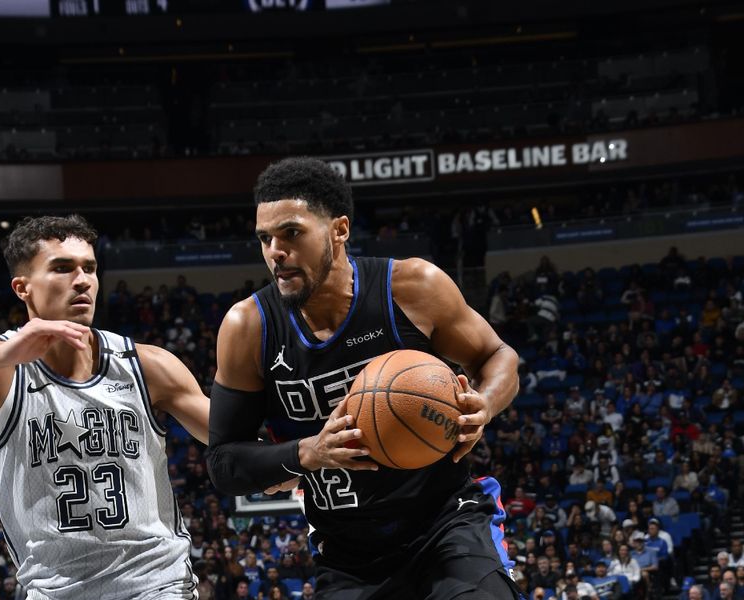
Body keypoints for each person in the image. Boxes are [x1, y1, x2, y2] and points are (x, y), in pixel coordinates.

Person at [206, 158, 521, 599]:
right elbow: (223, 463)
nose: (275, 251)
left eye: (292, 233)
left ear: (339, 229)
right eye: (265, 238)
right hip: (347, 554)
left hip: (446, 523)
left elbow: (498, 356)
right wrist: (308, 452)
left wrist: (484, 403)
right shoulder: (248, 328)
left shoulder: (411, 288)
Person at [0, 215, 210, 599]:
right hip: (56, 590)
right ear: (23, 288)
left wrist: (301, 456)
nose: (82, 280)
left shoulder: (147, 365)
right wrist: (4, 352)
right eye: (63, 268)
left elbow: (233, 442)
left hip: (157, 584)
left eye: (90, 268)